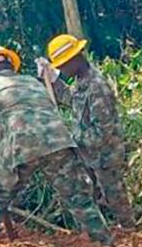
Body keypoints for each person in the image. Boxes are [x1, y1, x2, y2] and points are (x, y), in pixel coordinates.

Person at [0, 45, 114, 246]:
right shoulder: (33, 82)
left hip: (21, 148)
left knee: (1, 193)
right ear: (12, 65)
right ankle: (105, 243)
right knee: (78, 198)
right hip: (58, 142)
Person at [37, 34, 135, 229]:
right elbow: (71, 99)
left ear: (76, 59)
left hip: (105, 157)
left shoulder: (97, 87)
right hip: (90, 156)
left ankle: (131, 234)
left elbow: (103, 132)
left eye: (63, 65)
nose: (62, 70)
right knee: (95, 196)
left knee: (115, 197)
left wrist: (71, 137)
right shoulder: (82, 81)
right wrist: (54, 80)